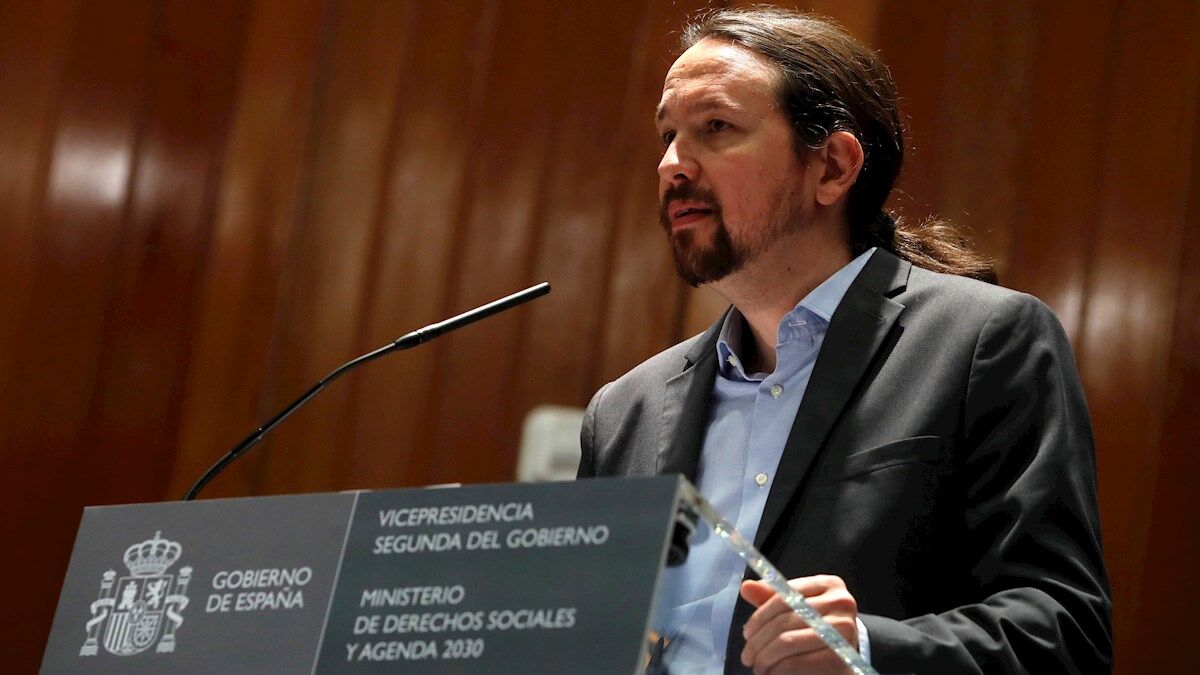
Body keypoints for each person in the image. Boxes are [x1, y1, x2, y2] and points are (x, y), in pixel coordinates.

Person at [576, 7, 1111, 674]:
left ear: (832, 166)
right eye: (667, 135)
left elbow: (1064, 631)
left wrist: (865, 648)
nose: (671, 165)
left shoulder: (984, 343)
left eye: (716, 127)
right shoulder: (625, 410)